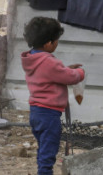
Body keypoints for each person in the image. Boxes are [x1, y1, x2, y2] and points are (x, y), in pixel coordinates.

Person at [21, 17, 85, 175]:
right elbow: (69, 77)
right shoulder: (49, 62)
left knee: (43, 149)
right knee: (49, 152)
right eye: (56, 41)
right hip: (49, 115)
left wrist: (66, 69)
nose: (57, 43)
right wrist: (80, 73)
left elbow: (53, 74)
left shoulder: (32, 58)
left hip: (36, 112)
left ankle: (42, 170)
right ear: (48, 44)